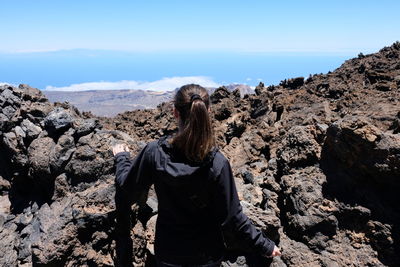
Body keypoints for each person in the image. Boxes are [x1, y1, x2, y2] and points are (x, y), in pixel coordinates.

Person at [112, 84, 281, 267]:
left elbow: (126, 189)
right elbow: (233, 220)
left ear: (175, 112)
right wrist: (266, 246)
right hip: (206, 257)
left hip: (168, 255)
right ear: (208, 112)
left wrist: (122, 159)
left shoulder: (154, 153)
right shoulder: (217, 163)